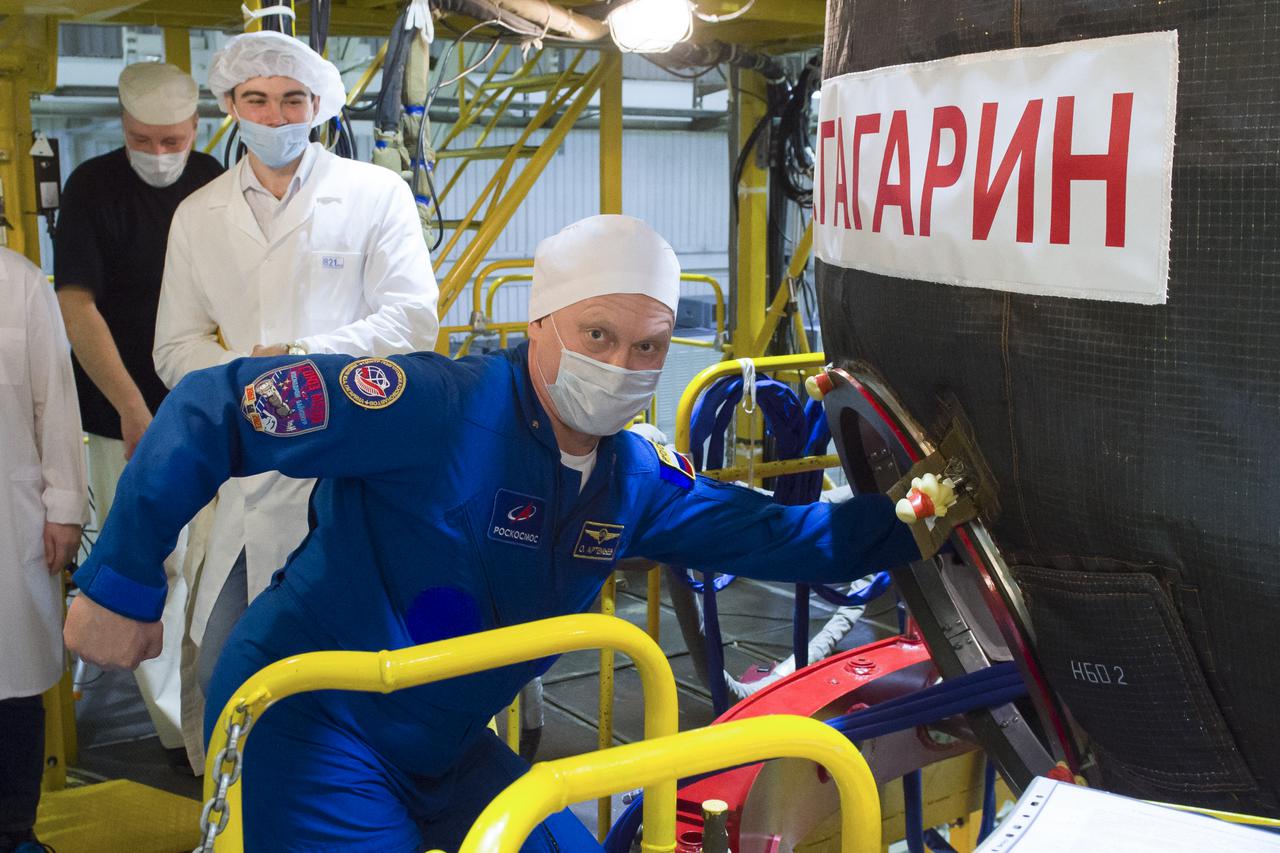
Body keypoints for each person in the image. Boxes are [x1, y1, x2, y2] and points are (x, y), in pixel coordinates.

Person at [64, 215, 918, 852]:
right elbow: (215, 408)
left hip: (445, 739)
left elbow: (772, 532)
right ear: (539, 324)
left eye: (649, 347)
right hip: (316, 721)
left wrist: (916, 524)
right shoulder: (430, 403)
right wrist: (120, 581)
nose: (621, 366)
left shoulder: (633, 480)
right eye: (596, 335)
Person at [151, 30, 439, 713]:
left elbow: (412, 320)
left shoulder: (376, 193)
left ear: (319, 107)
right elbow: (174, 346)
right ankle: (242, 814)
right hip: (245, 466)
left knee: (363, 667)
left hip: (353, 461)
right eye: (257, 100)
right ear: (230, 104)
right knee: (225, 661)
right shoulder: (198, 215)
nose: (275, 117)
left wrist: (302, 362)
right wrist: (255, 378)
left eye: (291, 101)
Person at [55, 61, 222, 756]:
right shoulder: (93, 187)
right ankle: (177, 735)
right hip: (118, 412)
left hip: (205, 407)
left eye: (171, 140)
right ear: (123, 130)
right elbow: (76, 304)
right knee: (145, 564)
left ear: (196, 130)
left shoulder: (216, 178)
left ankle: (205, 720)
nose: (159, 155)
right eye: (143, 140)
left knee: (210, 564)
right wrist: (130, 406)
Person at [2, 251, 87, 853]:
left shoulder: (19, 283)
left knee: (13, 683)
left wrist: (64, 507)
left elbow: (55, 403)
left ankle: (13, 831)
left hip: (10, 519)